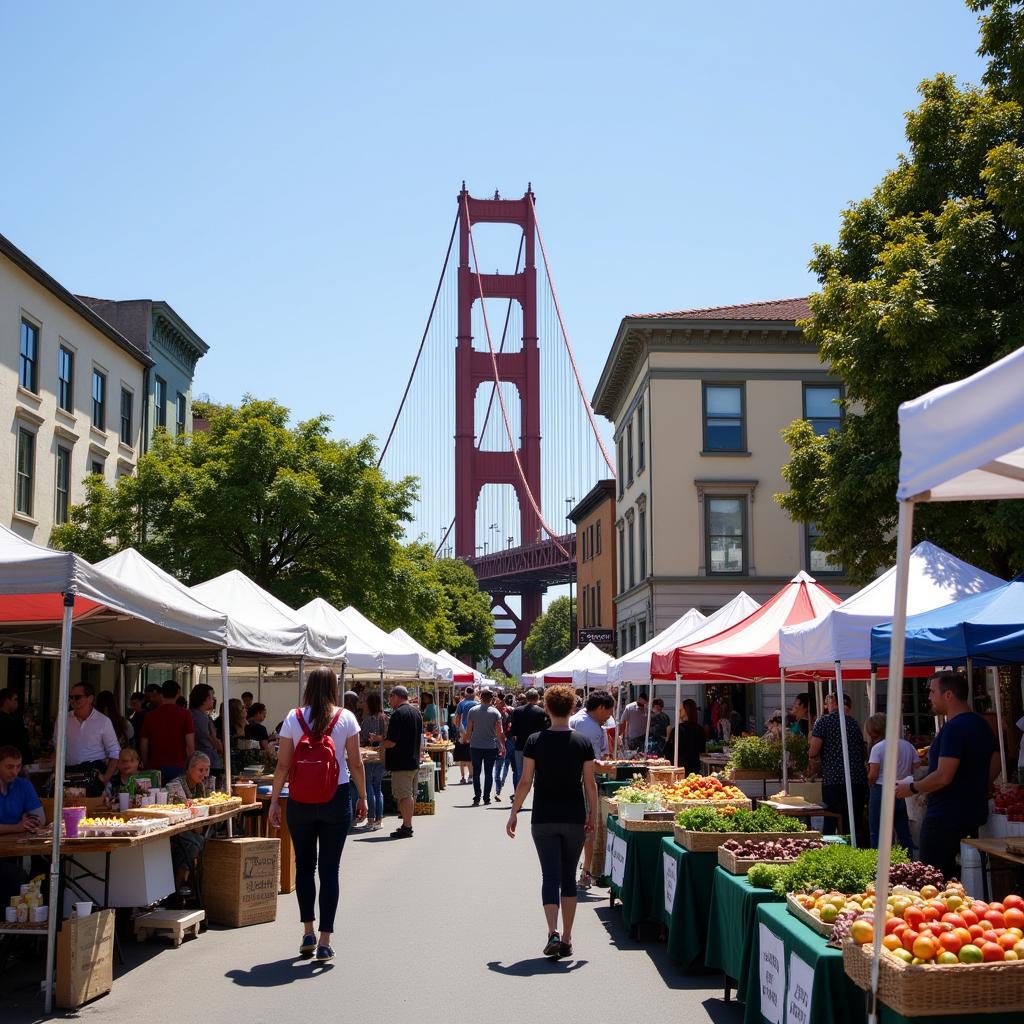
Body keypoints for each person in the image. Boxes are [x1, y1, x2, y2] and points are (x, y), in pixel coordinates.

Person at [270, 667, 366, 961]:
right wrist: (363, 797)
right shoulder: (346, 717)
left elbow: (283, 765)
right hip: (335, 797)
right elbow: (356, 763)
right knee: (330, 870)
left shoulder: (293, 717)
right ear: (335, 687)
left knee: (304, 868)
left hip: (300, 798)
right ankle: (325, 939)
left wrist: (274, 800)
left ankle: (307, 931)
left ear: (308, 687)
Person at [507, 685, 598, 960]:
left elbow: (525, 781)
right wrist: (593, 814)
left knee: (550, 876)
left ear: (546, 708)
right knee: (568, 877)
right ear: (572, 708)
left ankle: (552, 932)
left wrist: (513, 812)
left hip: (543, 816)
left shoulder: (535, 741)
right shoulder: (583, 742)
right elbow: (590, 785)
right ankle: (568, 937)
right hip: (573, 816)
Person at [895, 671, 999, 880]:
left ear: (948, 695)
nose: (929, 697)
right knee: (962, 878)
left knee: (931, 881)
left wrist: (913, 788)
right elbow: (996, 760)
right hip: (973, 812)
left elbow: (944, 776)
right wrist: (981, 785)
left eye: (933, 692)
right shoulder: (981, 724)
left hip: (945, 816)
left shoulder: (954, 728)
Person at [809, 691, 868, 843]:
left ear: (834, 703)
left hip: (834, 779)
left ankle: (829, 852)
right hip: (857, 779)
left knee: (831, 818)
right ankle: (853, 852)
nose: (826, 706)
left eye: (828, 702)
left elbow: (813, 751)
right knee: (852, 823)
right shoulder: (854, 723)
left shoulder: (824, 721)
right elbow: (862, 751)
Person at [569, 690, 614, 885]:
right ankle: (585, 871)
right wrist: (607, 768)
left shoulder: (577, 719)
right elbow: (590, 763)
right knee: (588, 826)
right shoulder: (590, 727)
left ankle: (576, 870)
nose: (609, 717)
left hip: (568, 781)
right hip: (583, 782)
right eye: (609, 712)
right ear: (601, 707)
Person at [57, 681, 120, 796]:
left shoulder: (103, 721)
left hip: (93, 775)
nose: (73, 700)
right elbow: (57, 747)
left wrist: (105, 778)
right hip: (69, 774)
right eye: (70, 697)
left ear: (90, 698)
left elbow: (115, 752)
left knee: (94, 813)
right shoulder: (63, 719)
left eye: (77, 697)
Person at [864, 713, 915, 852]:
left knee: (878, 831)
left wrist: (869, 781)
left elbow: (873, 775)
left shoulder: (878, 748)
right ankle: (908, 862)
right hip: (902, 788)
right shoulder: (908, 746)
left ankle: (879, 863)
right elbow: (914, 768)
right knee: (903, 831)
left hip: (881, 789)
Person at [166, 751, 215, 891]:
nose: (204, 773)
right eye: (201, 770)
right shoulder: (175, 785)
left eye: (207, 769)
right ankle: (178, 887)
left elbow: (209, 803)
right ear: (189, 769)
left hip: (191, 828)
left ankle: (192, 885)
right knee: (196, 844)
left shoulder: (201, 785)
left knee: (203, 841)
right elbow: (185, 812)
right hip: (176, 829)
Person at [379, 685, 421, 838]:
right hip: (413, 759)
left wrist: (380, 743)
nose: (389, 700)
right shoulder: (416, 712)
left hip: (401, 762)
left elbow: (392, 742)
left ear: (396, 696)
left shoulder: (398, 714)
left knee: (404, 795)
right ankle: (406, 824)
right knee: (408, 794)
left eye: (390, 697)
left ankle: (407, 826)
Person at [139, 680, 195, 783]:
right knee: (179, 798)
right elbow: (190, 744)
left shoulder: (150, 715)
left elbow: (144, 743)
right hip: (178, 765)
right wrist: (191, 765)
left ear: (162, 693)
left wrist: (146, 763)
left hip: (155, 765)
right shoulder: (185, 714)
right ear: (178, 693)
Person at [463, 688, 505, 806]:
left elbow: (469, 729)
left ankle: (477, 797)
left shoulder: (473, 710)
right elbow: (499, 732)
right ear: (492, 699)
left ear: (480, 697)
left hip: (475, 745)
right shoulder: (496, 712)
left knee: (476, 772)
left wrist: (464, 739)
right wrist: (502, 745)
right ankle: (486, 798)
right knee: (488, 772)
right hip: (491, 746)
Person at [508, 688, 549, 788]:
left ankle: (518, 797)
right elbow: (545, 729)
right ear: (537, 698)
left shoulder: (517, 711)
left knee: (520, 773)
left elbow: (513, 731)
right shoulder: (541, 712)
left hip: (520, 746)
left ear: (526, 698)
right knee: (538, 773)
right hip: (537, 747)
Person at [360, 691, 387, 831]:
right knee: (378, 787)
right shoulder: (383, 717)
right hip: (381, 755)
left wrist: (372, 738)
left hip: (369, 755)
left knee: (369, 786)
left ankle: (371, 819)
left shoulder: (367, 719)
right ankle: (379, 819)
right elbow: (387, 736)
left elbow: (363, 736)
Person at [663, 698, 707, 775]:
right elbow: (702, 751)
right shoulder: (700, 729)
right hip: (695, 769)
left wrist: (668, 735)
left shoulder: (677, 730)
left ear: (687, 710)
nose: (679, 710)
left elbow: (667, 753)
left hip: (679, 770)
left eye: (681, 709)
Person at [189, 684, 224, 772]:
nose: (213, 700)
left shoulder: (194, 714)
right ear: (205, 699)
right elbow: (210, 738)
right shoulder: (200, 717)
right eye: (212, 697)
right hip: (206, 760)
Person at [494, 691, 516, 800]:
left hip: (499, 740)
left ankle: (498, 790)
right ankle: (499, 788)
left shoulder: (494, 711)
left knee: (500, 765)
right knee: (504, 764)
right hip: (509, 739)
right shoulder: (510, 710)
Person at [453, 686, 478, 783]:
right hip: (474, 733)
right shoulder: (477, 704)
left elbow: (457, 719)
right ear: (474, 694)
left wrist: (459, 730)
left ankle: (463, 777)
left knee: (462, 755)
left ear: (466, 694)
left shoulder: (461, 704)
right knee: (470, 755)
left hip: (463, 732)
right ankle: (471, 776)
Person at [0, 689, 30, 764]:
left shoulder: (14, 718)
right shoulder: (13, 721)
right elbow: (22, 741)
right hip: (12, 759)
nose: (16, 703)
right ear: (7, 700)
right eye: (15, 699)